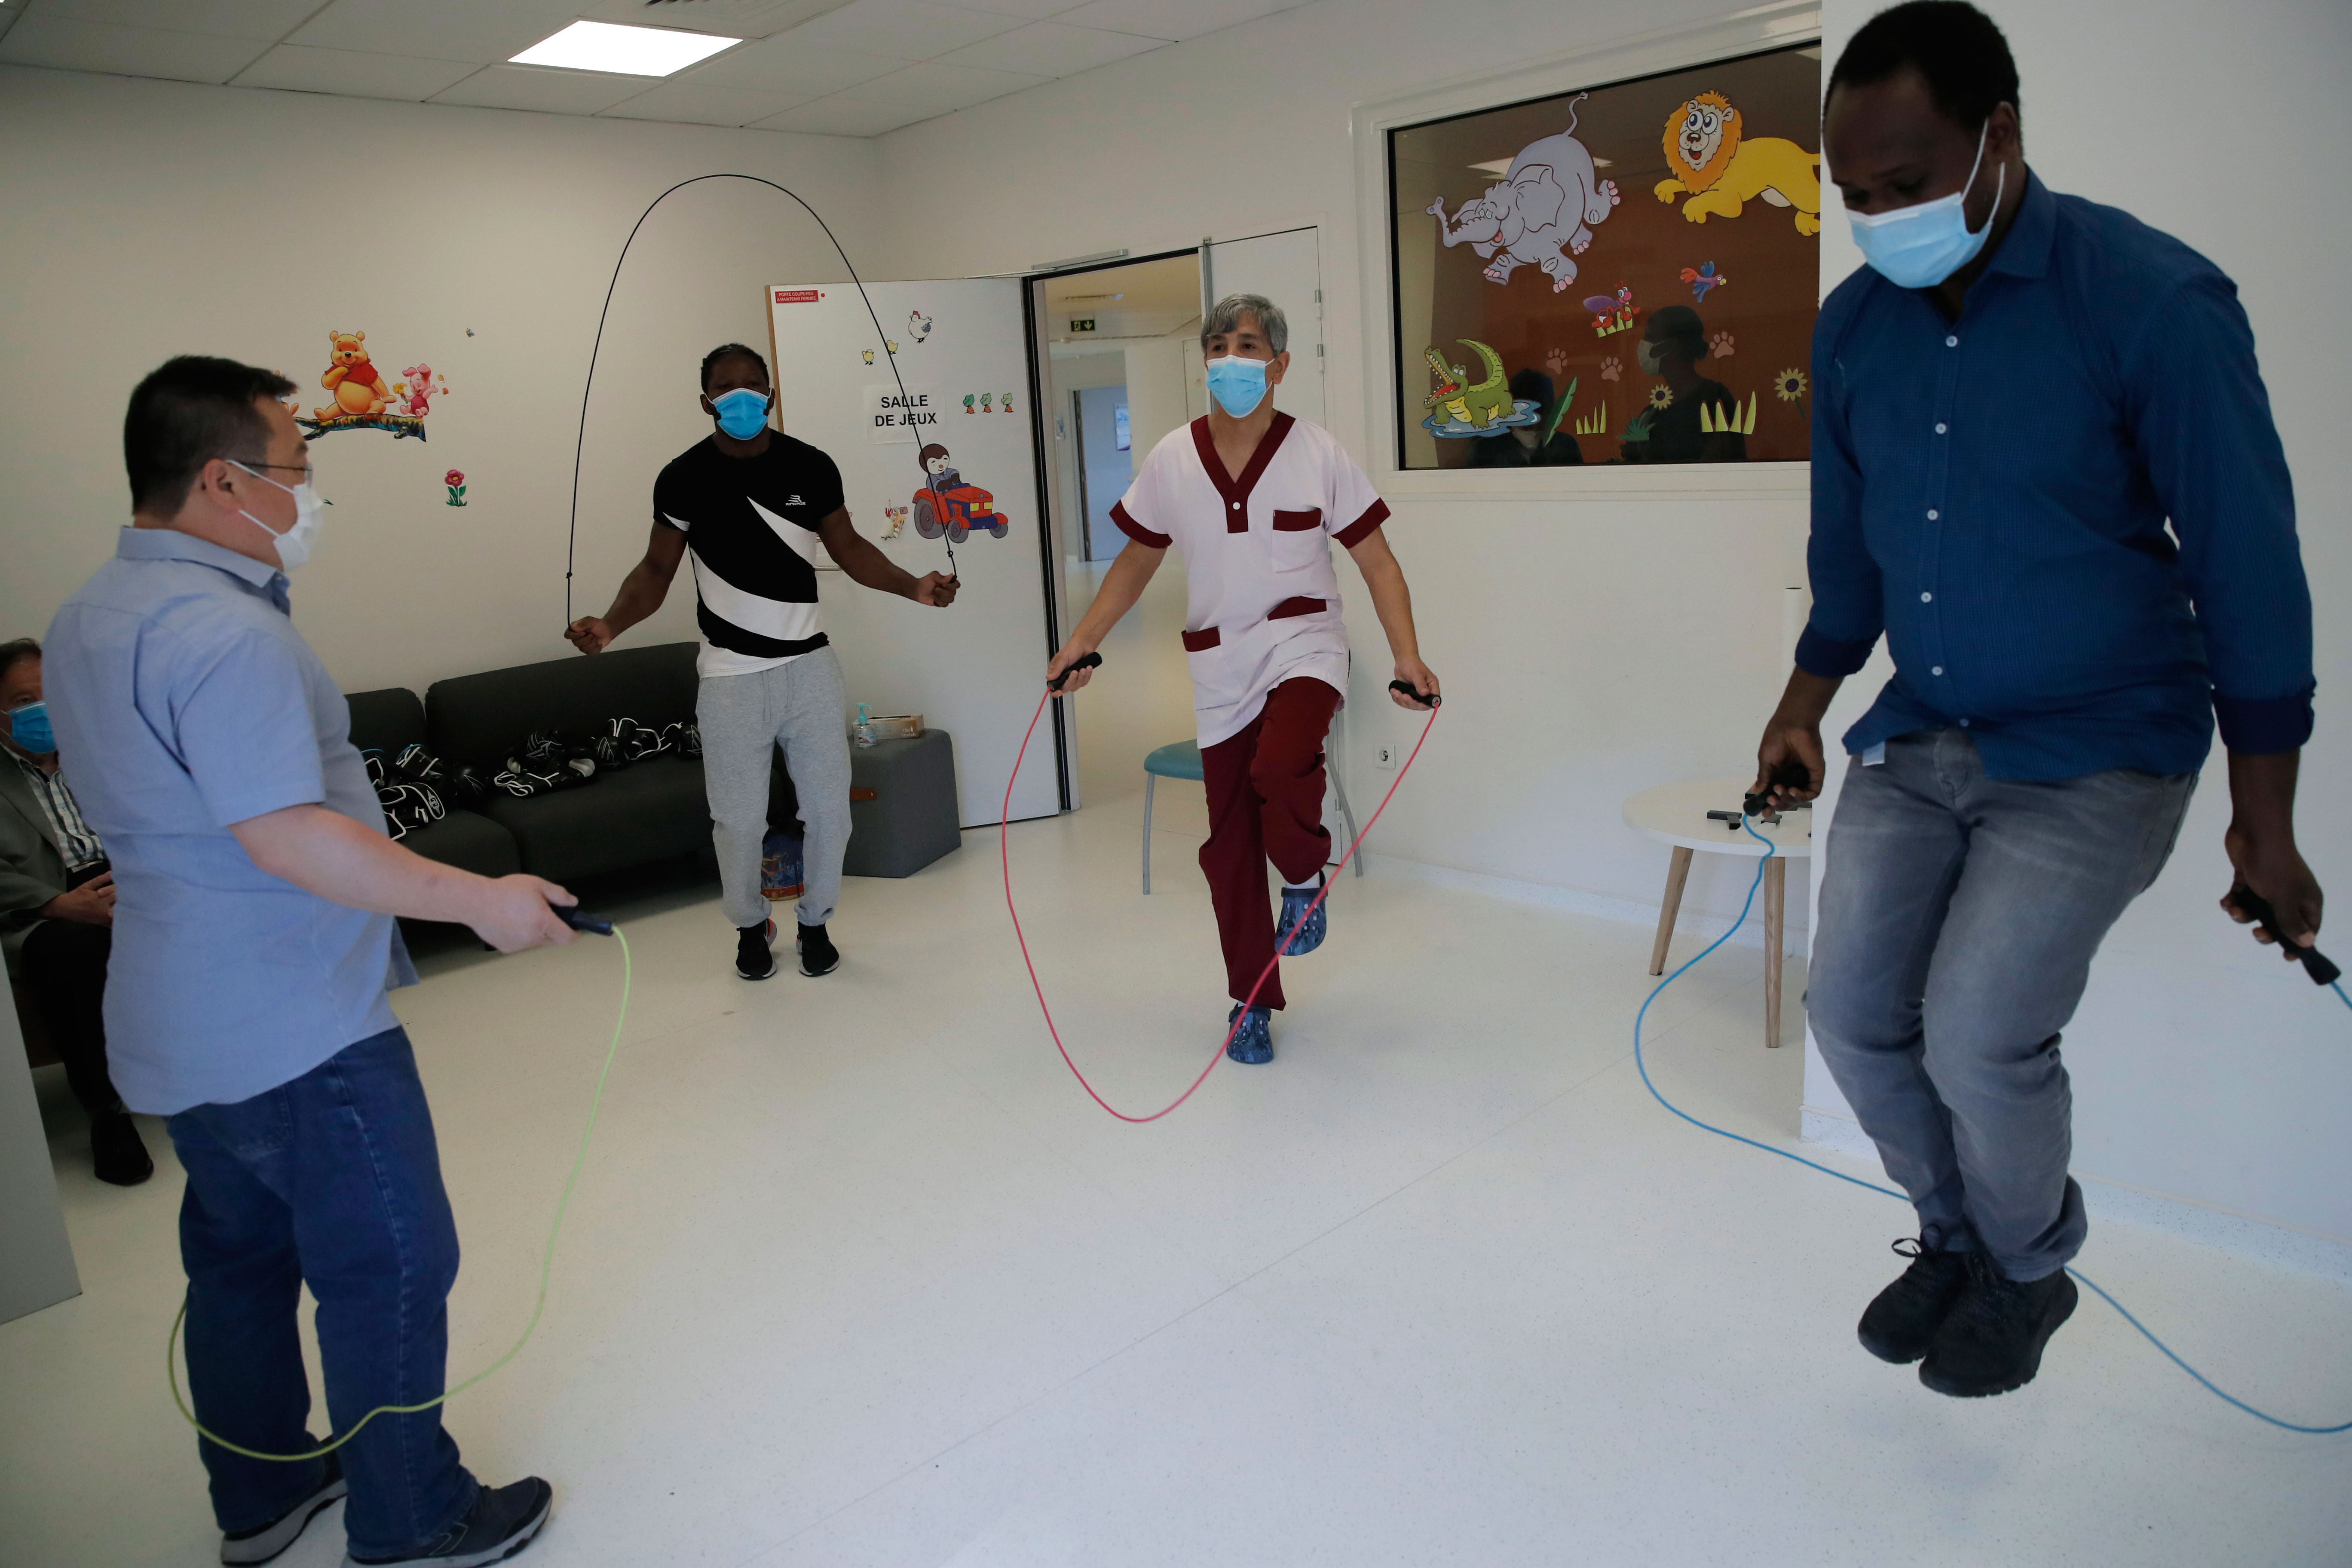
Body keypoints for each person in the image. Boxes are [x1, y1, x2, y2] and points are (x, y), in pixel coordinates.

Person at [1753, 1, 2320, 1402]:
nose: (1880, 216)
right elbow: (1847, 554)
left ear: (1999, 136)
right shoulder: (1854, 331)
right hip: (1924, 725)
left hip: (2099, 744)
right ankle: (1956, 1239)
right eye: (1854, 194)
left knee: (1979, 1029)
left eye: (1908, 182)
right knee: (1854, 1013)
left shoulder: (2150, 302)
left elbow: (2249, 572)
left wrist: (2267, 823)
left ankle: (2028, 1265)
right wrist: (1800, 707)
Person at [45, 356, 574, 1567]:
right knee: (387, 1257)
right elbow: (286, 833)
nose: (311, 492)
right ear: (223, 480)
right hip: (296, 1027)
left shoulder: (90, 615)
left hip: (178, 1020)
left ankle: (265, 1491)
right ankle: (413, 1517)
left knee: (240, 1259)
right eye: (298, 467)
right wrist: (481, 900)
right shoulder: (222, 633)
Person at [1046, 294, 1440, 1064]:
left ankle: (1303, 872)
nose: (1231, 358)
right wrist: (1082, 643)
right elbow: (1136, 559)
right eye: (1219, 345)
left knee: (1280, 763)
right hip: (1219, 663)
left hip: (1306, 647)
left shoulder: (1317, 452)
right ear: (1205, 363)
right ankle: (1250, 1000)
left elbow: (1375, 560)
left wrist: (1406, 655)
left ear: (1280, 365)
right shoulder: (1170, 457)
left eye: (1249, 345)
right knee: (1228, 846)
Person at [567, 343, 958, 981]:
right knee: (739, 823)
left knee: (830, 812)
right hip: (729, 680)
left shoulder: (810, 465)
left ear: (771, 396)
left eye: (754, 386)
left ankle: (815, 923)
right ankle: (750, 927)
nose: (741, 398)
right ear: (705, 402)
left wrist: (914, 585)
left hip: (809, 670)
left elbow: (851, 548)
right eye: (726, 389)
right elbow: (657, 569)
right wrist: (610, 624)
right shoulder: (682, 477)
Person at [0, 637, 150, 1184]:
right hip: (42, 908)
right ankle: (107, 1115)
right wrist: (55, 902)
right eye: (22, 701)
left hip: (125, 879)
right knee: (70, 950)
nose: (41, 710)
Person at [1619, 305, 1744, 463]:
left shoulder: (1714, 399)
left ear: (1675, 345)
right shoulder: (1652, 413)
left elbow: (1721, 466)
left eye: (1651, 338)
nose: (1644, 345)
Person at [1463, 369, 1584, 468]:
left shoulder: (1566, 447)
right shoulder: (1483, 451)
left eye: (1540, 413)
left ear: (1551, 411)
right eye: (1526, 415)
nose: (1534, 423)